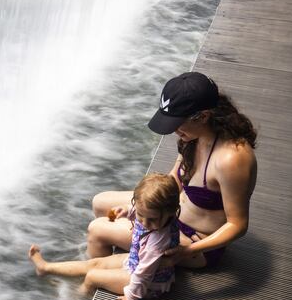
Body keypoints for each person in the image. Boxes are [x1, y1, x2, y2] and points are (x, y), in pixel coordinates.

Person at [88, 72, 257, 268]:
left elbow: (238, 225)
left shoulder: (232, 159)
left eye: (177, 124)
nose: (174, 131)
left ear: (202, 116)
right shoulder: (194, 137)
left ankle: (105, 276)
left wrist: (187, 252)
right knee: (100, 203)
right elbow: (174, 182)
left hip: (194, 243)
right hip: (171, 213)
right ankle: (128, 258)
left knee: (97, 230)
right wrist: (136, 208)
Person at [29, 173, 180, 300]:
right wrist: (127, 211)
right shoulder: (150, 215)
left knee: (92, 277)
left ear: (171, 213)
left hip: (149, 284)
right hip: (135, 262)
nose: (145, 223)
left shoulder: (157, 241)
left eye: (152, 219)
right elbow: (141, 211)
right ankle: (45, 268)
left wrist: (130, 297)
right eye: (140, 215)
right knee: (94, 264)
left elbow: (143, 275)